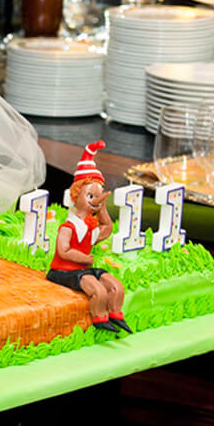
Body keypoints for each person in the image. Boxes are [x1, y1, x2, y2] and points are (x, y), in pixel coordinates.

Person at [46, 140, 131, 334]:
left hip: (83, 269)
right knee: (98, 290)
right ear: (75, 197)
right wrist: (82, 258)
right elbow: (63, 251)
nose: (95, 200)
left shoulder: (91, 228)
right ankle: (99, 317)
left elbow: (107, 228)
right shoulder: (68, 227)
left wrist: (101, 208)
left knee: (115, 286)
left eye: (98, 197)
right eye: (90, 196)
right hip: (63, 271)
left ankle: (116, 314)